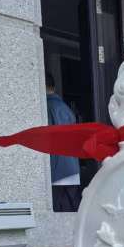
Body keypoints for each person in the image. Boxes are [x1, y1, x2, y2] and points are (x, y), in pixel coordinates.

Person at [46, 72, 81, 212]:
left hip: (56, 171)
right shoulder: (66, 109)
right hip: (72, 168)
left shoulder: (46, 108)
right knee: (71, 213)